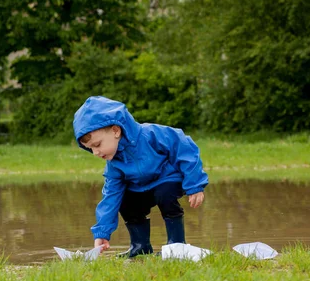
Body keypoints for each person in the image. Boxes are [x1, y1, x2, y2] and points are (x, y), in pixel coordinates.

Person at [73, 96, 209, 257]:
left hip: (167, 180)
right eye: (90, 149)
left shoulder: (151, 134)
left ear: (116, 130)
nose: (95, 152)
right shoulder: (114, 165)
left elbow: (185, 149)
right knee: (124, 200)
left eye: (97, 145)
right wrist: (102, 231)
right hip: (140, 189)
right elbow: (110, 197)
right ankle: (140, 246)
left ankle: (177, 245)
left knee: (164, 194)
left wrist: (194, 185)